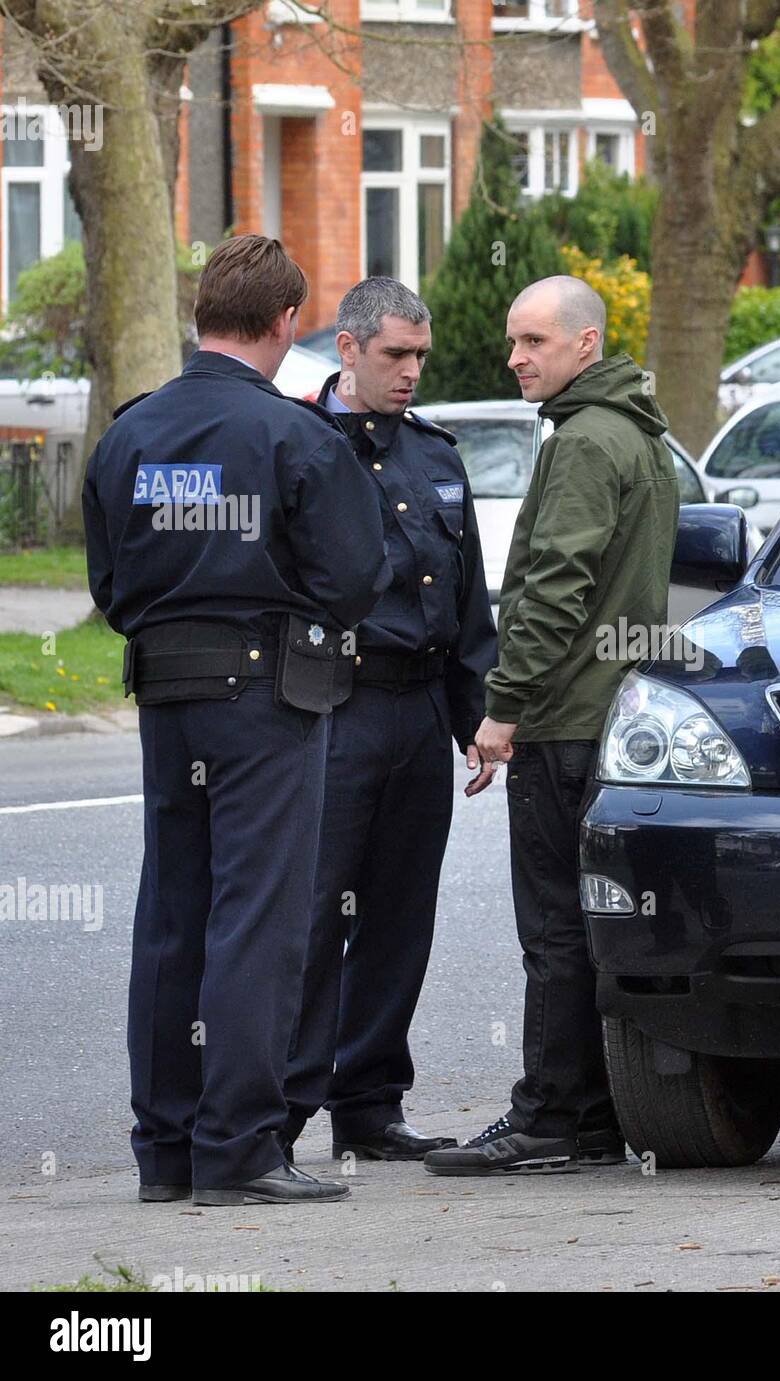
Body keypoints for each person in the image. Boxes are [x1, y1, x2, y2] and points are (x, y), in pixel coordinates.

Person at [82, 235, 390, 1206]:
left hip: (165, 693)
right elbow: (353, 577)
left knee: (172, 919)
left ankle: (165, 1149)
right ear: (286, 321)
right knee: (257, 921)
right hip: (265, 699)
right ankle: (241, 1147)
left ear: (204, 313)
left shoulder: (130, 433)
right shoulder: (293, 436)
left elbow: (109, 582)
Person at [424, 275, 678, 1177]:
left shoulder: (583, 441)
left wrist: (503, 709)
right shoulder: (640, 435)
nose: (516, 357)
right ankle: (599, 1112)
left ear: (586, 343)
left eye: (534, 340)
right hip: (613, 715)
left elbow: (553, 588)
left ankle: (548, 1118)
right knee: (597, 919)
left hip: (565, 719)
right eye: (513, 340)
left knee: (556, 927)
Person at [281, 277, 496, 1162]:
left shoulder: (436, 455)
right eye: (395, 356)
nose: (411, 373)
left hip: (417, 705)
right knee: (312, 914)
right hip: (334, 705)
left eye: (420, 357)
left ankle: (369, 1105)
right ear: (349, 348)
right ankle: (280, 1114)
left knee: (401, 916)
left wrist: (480, 717)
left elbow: (469, 600)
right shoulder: (298, 444)